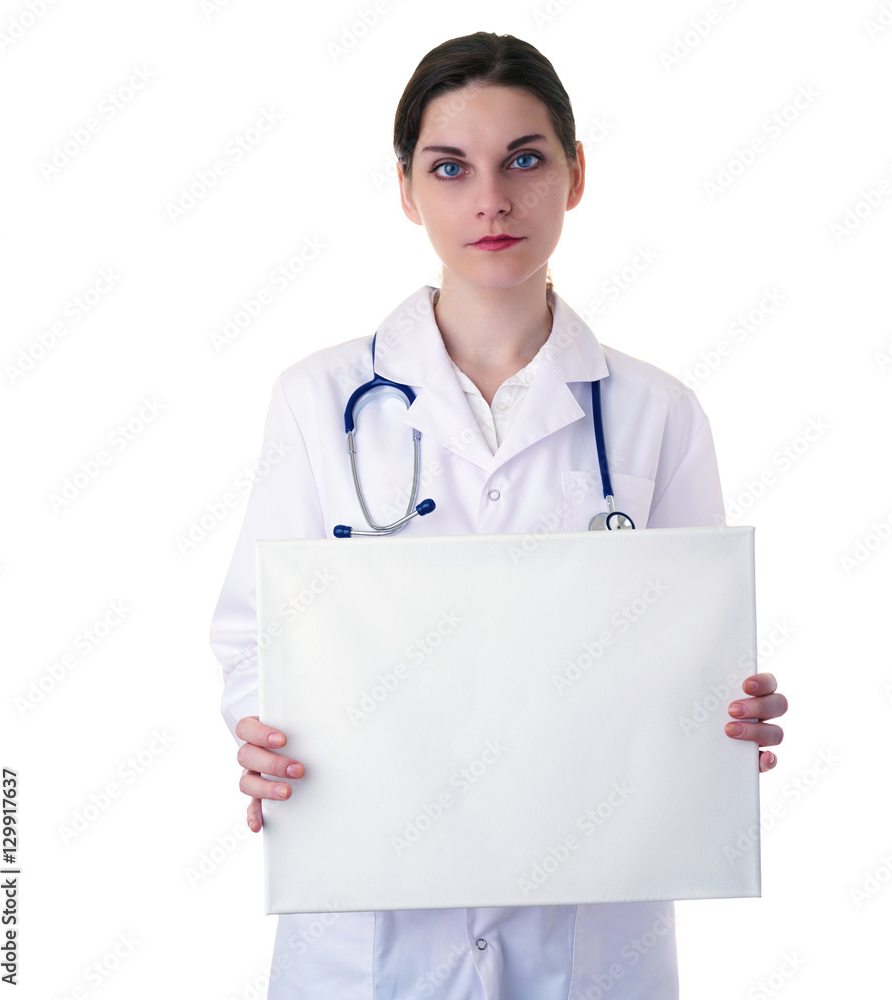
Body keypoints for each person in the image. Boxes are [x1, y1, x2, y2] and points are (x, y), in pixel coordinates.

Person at [209, 30, 787, 1000]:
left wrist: (729, 716)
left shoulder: (657, 414)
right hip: (366, 920)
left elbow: (695, 651)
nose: (490, 200)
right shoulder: (317, 400)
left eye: (524, 159)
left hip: (590, 932)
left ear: (575, 173)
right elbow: (251, 635)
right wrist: (261, 731)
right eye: (450, 167)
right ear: (406, 190)